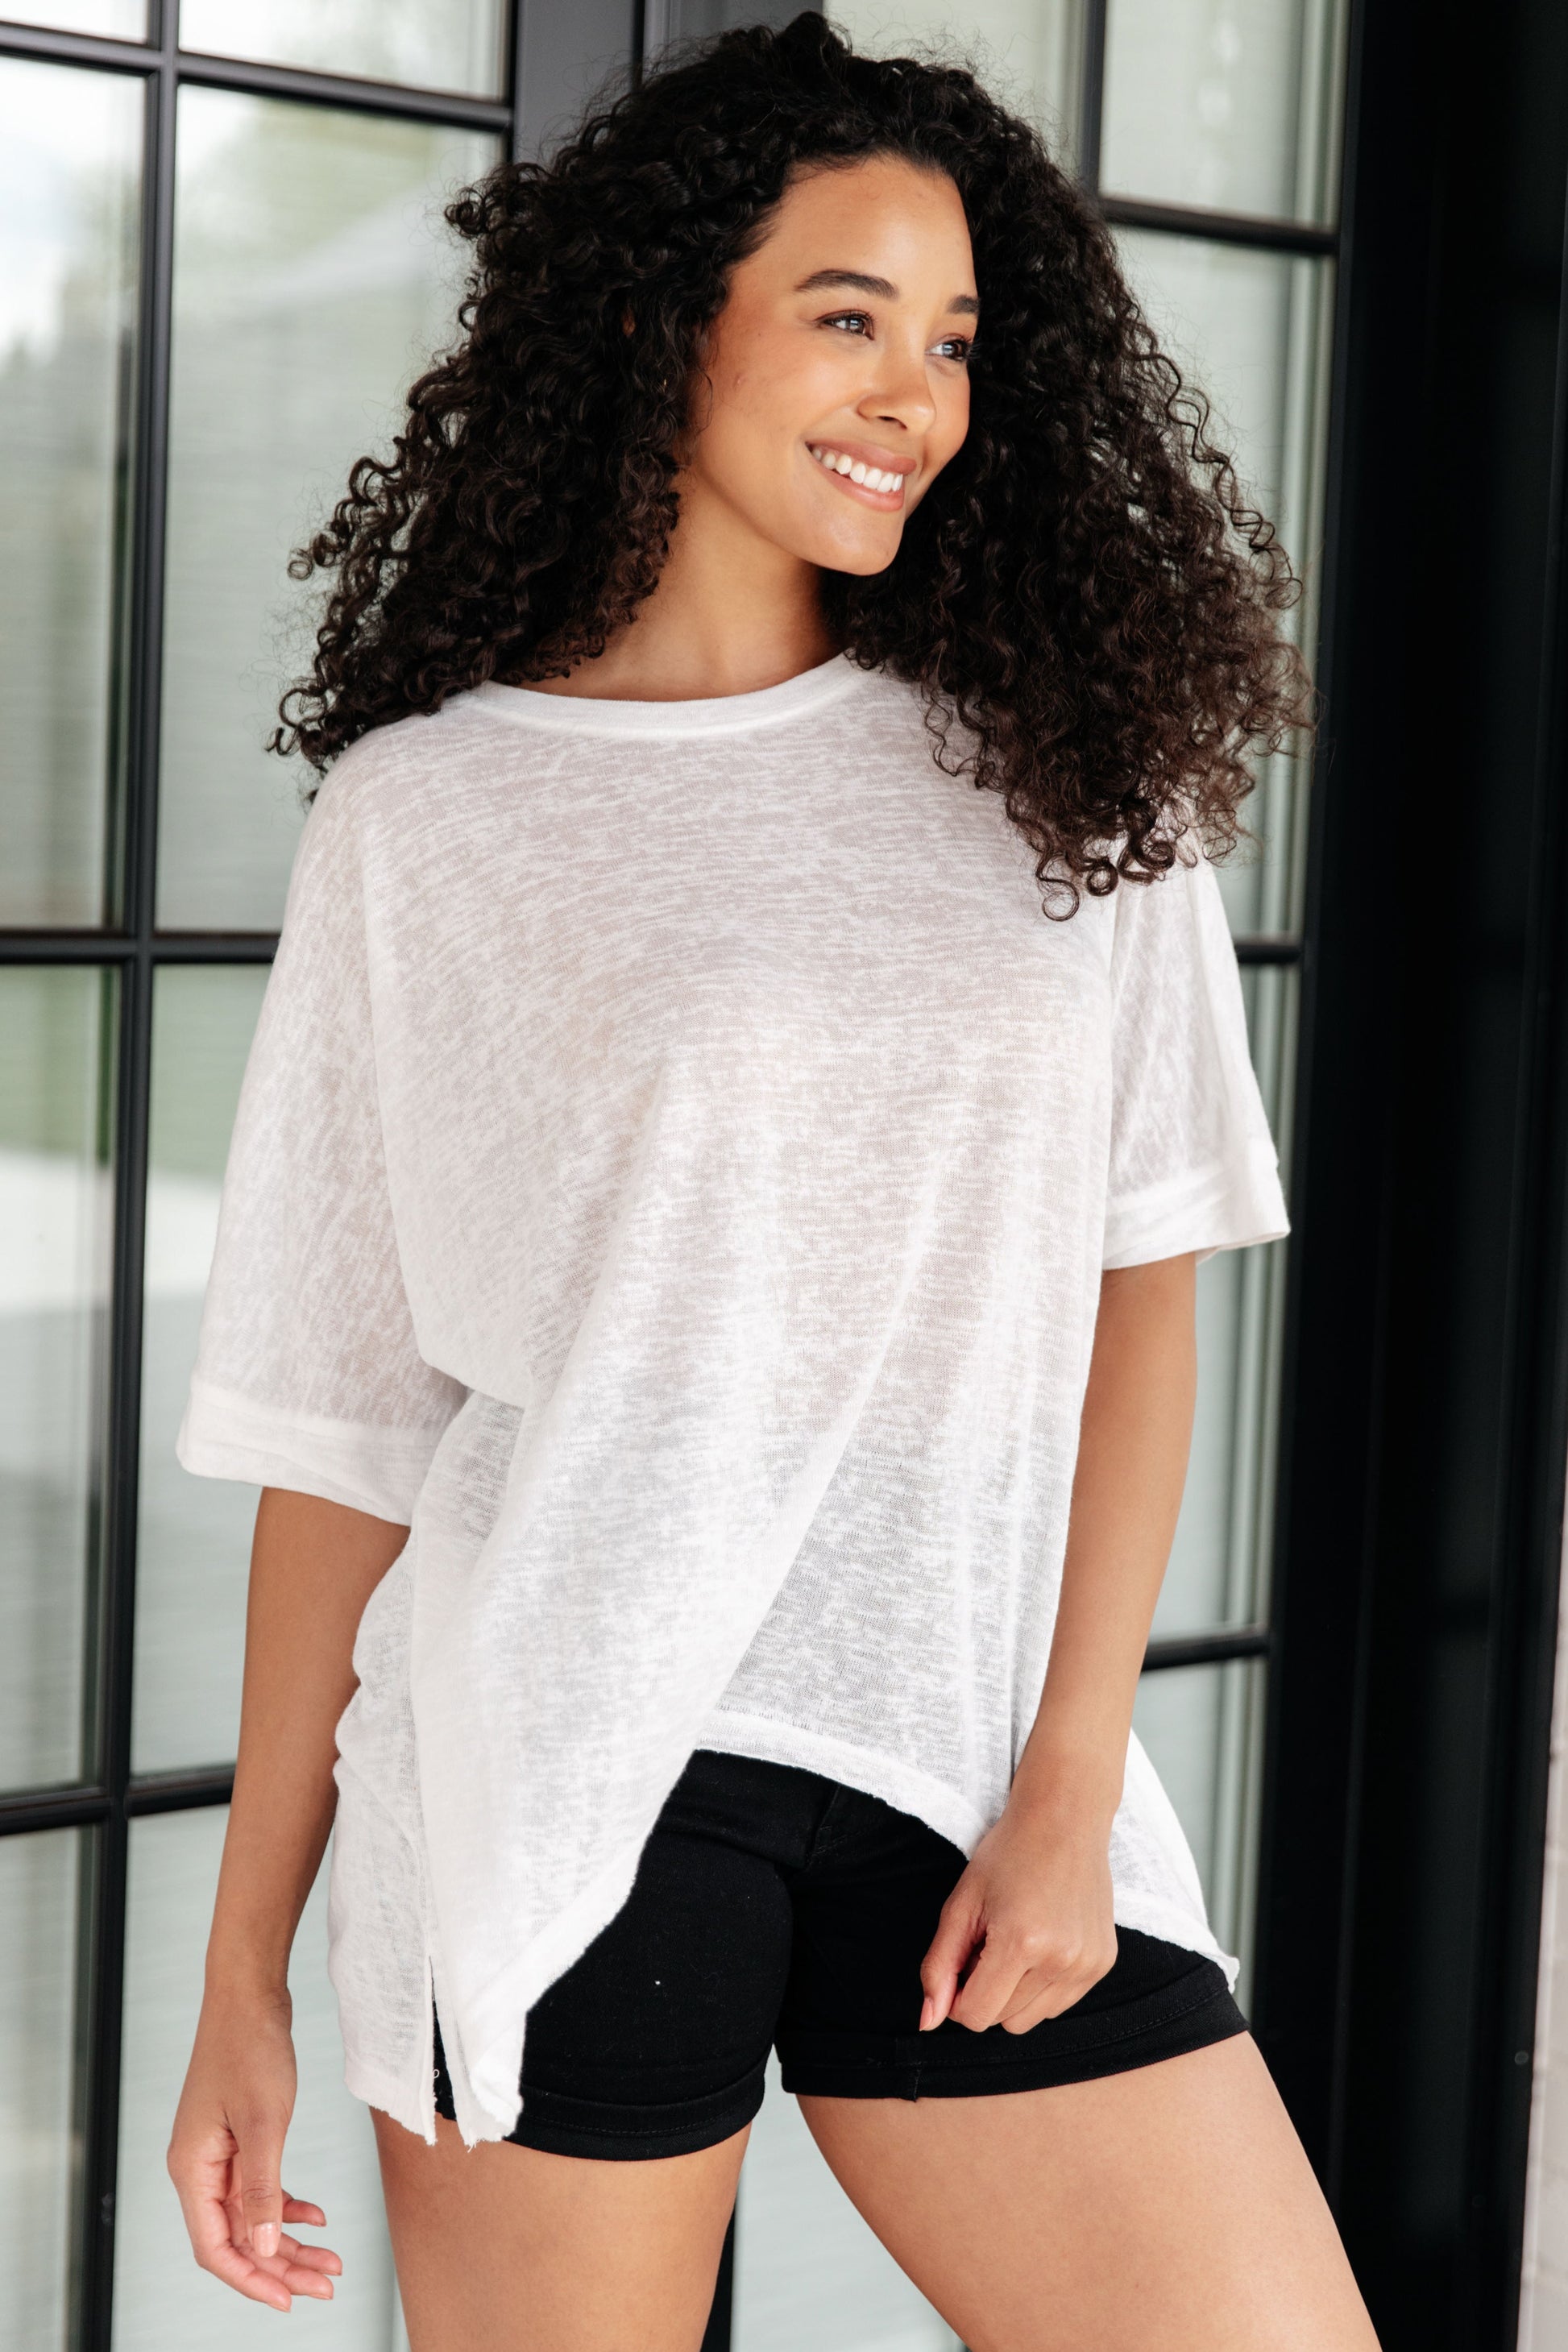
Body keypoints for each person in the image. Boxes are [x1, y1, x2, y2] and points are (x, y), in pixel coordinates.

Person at [166, 17, 1379, 2347]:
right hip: (553, 1776)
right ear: (661, 323)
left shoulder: (1069, 777)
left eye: (955, 341)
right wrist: (247, 1971)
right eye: (848, 317)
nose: (913, 395)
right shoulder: (429, 818)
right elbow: (350, 1433)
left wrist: (1069, 1779)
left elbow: (1140, 1296)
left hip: (962, 1757)